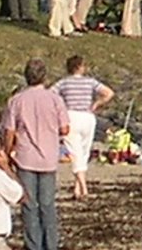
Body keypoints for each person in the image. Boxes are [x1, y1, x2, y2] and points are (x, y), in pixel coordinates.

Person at [1, 58, 69, 250]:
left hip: (25, 156)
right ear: (44, 77)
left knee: (29, 205)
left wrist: (7, 153)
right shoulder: (55, 99)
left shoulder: (17, 100)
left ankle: (34, 245)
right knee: (47, 205)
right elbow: (65, 128)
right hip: (48, 157)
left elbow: (9, 131)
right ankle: (51, 244)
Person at [52, 55, 114, 199]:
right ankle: (78, 188)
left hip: (71, 116)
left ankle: (82, 187)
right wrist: (96, 104)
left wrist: (60, 108)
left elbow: (51, 95)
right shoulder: (90, 82)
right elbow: (108, 93)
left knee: (75, 152)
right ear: (80, 67)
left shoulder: (64, 83)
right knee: (83, 152)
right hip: (87, 117)